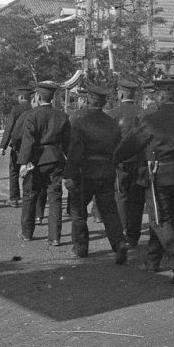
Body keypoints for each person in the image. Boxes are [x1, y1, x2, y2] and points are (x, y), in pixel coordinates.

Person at [113, 80, 174, 279]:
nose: (154, 97)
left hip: (157, 176)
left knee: (158, 219)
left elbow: (130, 144)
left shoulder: (151, 120)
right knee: (165, 217)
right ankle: (152, 261)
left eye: (156, 94)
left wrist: (116, 157)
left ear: (163, 96)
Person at [61, 84, 130, 263]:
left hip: (85, 173)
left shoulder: (80, 122)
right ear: (104, 101)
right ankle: (119, 244)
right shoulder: (112, 123)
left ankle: (80, 248)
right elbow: (118, 149)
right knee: (109, 211)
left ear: (89, 100)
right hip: (106, 172)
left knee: (78, 212)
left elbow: (74, 151)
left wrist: (69, 175)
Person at [9, 83, 71, 245]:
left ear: (37, 96)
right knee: (55, 198)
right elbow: (67, 144)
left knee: (30, 196)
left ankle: (27, 232)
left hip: (36, 160)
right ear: (52, 98)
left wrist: (23, 163)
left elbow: (28, 141)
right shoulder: (62, 116)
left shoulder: (32, 115)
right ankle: (55, 237)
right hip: (56, 159)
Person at [110, 78, 149, 255]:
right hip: (140, 162)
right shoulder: (143, 113)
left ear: (120, 93)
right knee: (137, 199)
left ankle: (123, 233)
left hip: (121, 163)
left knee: (121, 197)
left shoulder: (113, 113)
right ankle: (134, 235)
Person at [0, 93, 29, 206]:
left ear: (21, 97)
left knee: (14, 171)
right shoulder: (35, 108)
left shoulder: (16, 109)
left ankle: (14, 198)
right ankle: (28, 198)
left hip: (18, 145)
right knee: (29, 172)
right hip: (31, 146)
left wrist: (3, 145)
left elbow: (9, 128)